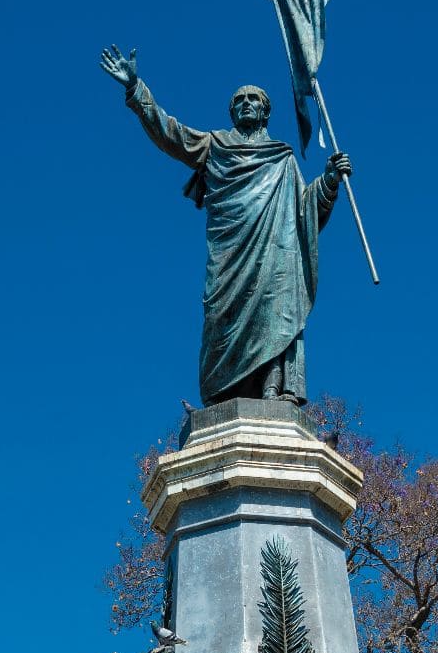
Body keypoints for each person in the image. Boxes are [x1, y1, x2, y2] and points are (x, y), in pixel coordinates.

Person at [98, 44, 353, 408]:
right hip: (229, 254)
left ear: (265, 112)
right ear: (232, 111)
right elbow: (170, 133)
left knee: (277, 307)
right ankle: (225, 394)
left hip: (275, 253)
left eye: (254, 99)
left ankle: (273, 387)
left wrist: (329, 180)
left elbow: (304, 211)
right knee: (220, 318)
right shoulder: (215, 145)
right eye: (240, 100)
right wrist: (136, 90)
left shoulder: (282, 158)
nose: (246, 103)